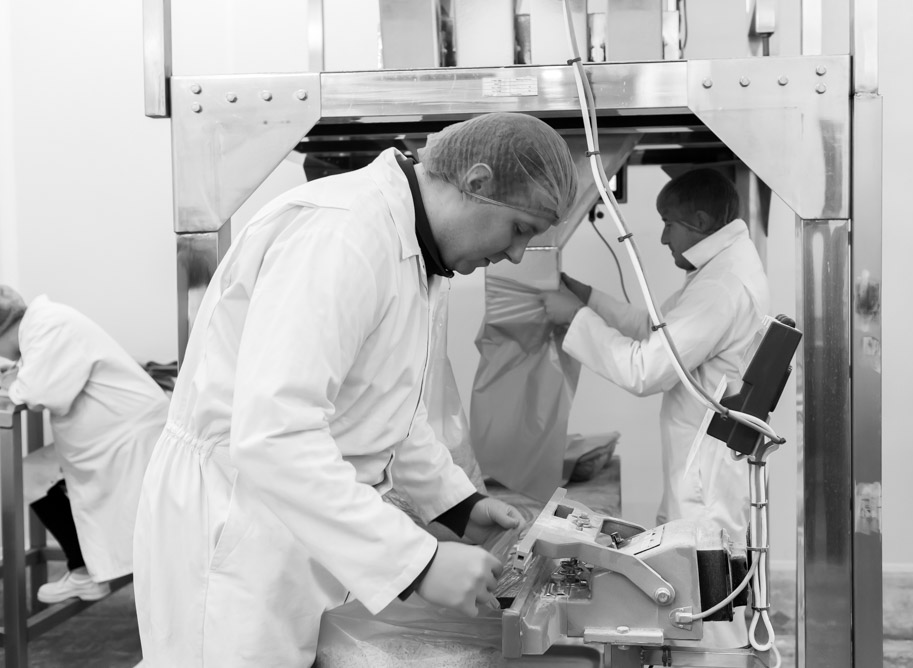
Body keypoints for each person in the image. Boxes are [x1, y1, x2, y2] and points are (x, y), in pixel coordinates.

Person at [133, 112, 579, 667]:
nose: (516, 255)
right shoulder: (341, 234)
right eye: (519, 229)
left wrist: (458, 503)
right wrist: (417, 561)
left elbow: (387, 403)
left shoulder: (416, 250)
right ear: (478, 182)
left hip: (301, 517)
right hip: (239, 520)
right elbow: (275, 433)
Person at [540, 168, 769, 647]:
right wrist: (585, 297)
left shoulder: (721, 285)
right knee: (691, 592)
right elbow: (658, 326)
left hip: (706, 477)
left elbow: (646, 369)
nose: (663, 237)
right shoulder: (724, 266)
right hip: (701, 461)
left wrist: (575, 319)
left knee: (705, 611)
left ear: (701, 221)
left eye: (669, 223)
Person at [0, 286, 168, 603]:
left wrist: (14, 383)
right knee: (31, 476)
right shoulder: (43, 324)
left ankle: (87, 574)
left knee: (156, 547)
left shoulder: (48, 326)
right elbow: (36, 378)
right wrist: (16, 377)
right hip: (113, 434)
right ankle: (83, 569)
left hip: (123, 440)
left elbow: (38, 394)